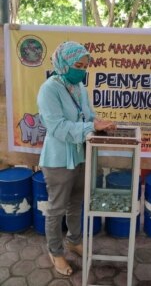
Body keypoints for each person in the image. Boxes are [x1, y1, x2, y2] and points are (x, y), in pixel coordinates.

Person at [37, 41, 116, 276]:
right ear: (63, 64)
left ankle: (73, 240)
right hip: (58, 159)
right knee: (56, 208)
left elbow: (88, 115)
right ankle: (56, 251)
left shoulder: (80, 86)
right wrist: (91, 126)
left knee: (76, 203)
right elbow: (57, 127)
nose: (82, 70)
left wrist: (100, 123)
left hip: (81, 154)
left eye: (84, 66)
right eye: (77, 65)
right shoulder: (49, 89)